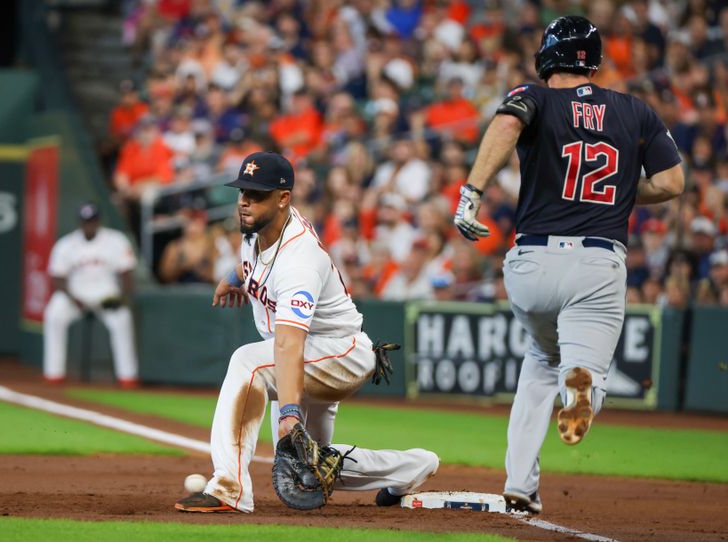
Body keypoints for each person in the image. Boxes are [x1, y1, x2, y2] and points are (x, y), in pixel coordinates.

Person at [453, 16, 684, 514]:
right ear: (593, 60)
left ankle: (520, 482)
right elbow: (672, 183)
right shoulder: (634, 109)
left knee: (539, 360)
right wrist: (618, 195)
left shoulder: (535, 96)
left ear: (548, 55)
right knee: (585, 371)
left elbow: (507, 122)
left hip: (532, 262)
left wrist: (471, 192)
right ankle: (581, 387)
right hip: (597, 264)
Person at [174, 152, 439, 513]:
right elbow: (256, 261)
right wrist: (233, 277)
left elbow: (288, 342)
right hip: (310, 355)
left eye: (256, 193)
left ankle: (228, 487)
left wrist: (289, 412)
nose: (244, 201)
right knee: (308, 465)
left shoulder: (299, 259)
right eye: (242, 191)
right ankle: (413, 466)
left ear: (283, 198)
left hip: (339, 353)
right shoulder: (257, 229)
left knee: (246, 361)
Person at [43, 203, 140, 389]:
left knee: (122, 318)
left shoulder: (116, 240)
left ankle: (127, 376)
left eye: (93, 221)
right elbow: (58, 278)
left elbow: (126, 274)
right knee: (54, 313)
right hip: (75, 296)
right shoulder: (66, 244)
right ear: (80, 223)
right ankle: (53, 373)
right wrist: (73, 299)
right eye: (86, 221)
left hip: (106, 295)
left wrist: (122, 299)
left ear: (99, 221)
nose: (89, 225)